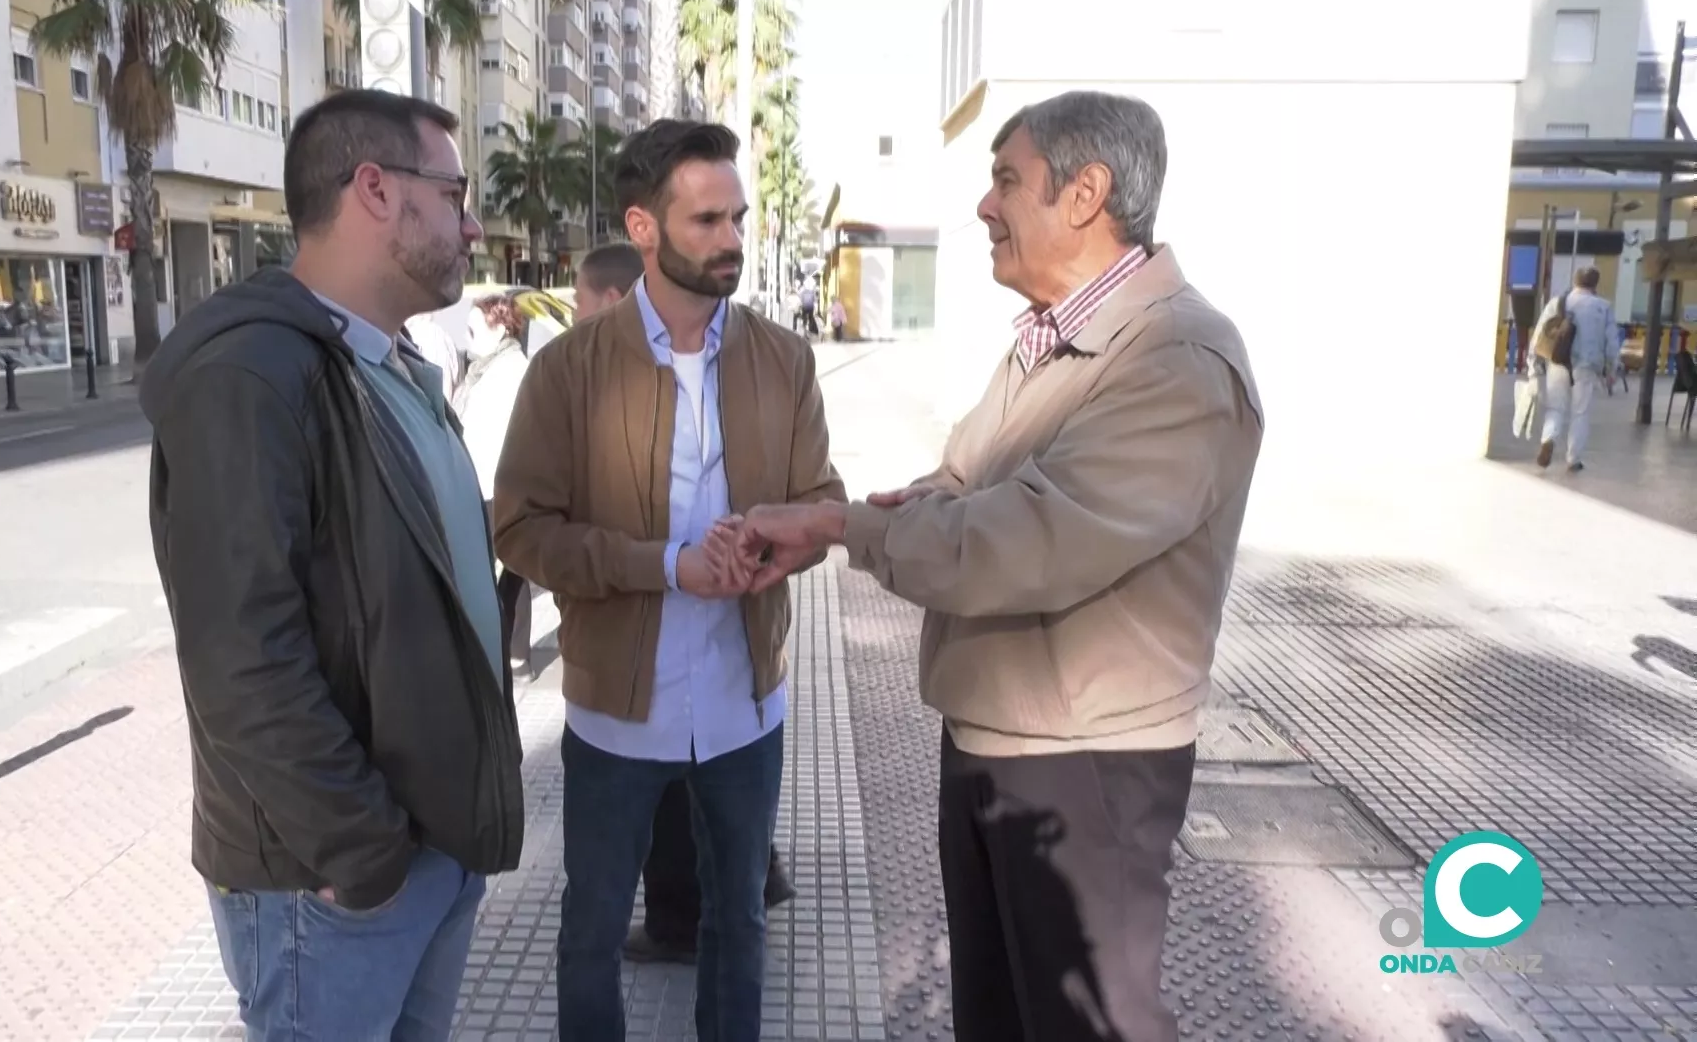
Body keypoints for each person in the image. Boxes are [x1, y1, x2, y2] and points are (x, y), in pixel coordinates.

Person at [731, 91, 1265, 1042]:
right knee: (999, 1015)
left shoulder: (1175, 357)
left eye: (1006, 180)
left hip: (1087, 766)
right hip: (999, 739)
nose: (984, 205)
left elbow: (1020, 540)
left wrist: (840, 526)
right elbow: (958, 480)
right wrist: (859, 519)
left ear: (1087, 194)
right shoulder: (1050, 340)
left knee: (1083, 1024)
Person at [138, 89, 525, 1042]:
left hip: (422, 853)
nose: (472, 224)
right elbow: (241, 663)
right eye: (454, 192)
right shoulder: (252, 376)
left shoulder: (384, 366)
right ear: (376, 190)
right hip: (335, 887)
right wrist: (362, 851)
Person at [492, 118, 845, 1042]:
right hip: (617, 716)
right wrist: (667, 567)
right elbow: (521, 530)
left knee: (738, 922)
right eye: (706, 221)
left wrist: (774, 547)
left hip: (744, 709)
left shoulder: (784, 358)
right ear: (643, 228)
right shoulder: (568, 369)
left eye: (738, 217)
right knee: (592, 930)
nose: (732, 239)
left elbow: (823, 501)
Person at [458, 292, 537, 681]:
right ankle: (503, 651)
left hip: (498, 484)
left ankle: (515, 656)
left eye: (474, 327)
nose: (467, 336)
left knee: (510, 572)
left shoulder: (512, 369)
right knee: (497, 572)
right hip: (479, 481)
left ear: (500, 325)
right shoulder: (484, 367)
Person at [1531, 265, 1620, 472]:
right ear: (1595, 284)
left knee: (1555, 407)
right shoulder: (1603, 307)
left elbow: (1539, 335)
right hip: (1587, 367)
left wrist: (1533, 367)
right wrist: (1612, 368)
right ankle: (1573, 459)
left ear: (1574, 281)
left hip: (1558, 361)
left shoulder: (1558, 302)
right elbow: (1612, 342)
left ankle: (1548, 438)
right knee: (1580, 412)